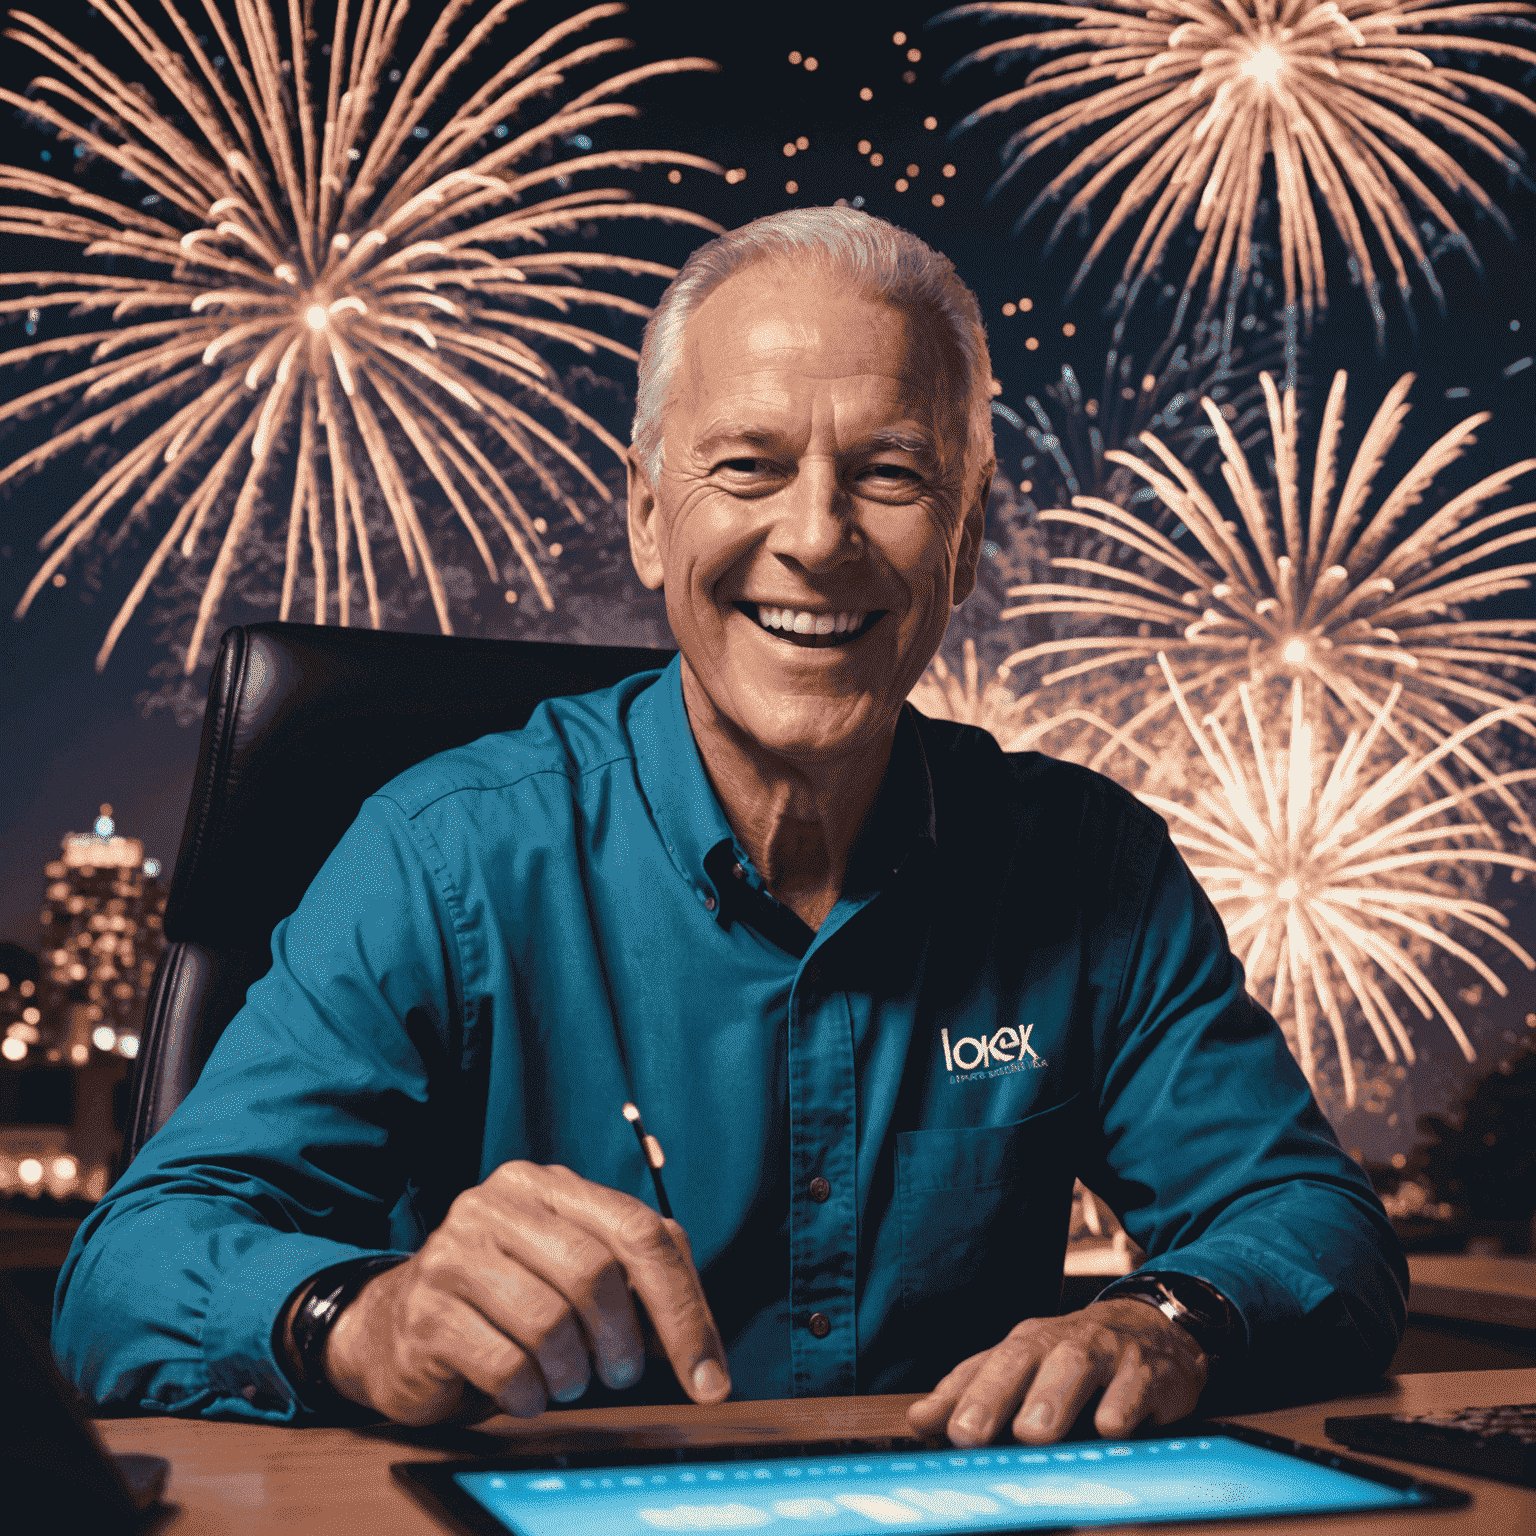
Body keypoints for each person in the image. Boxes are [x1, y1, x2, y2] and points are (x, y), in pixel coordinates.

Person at [53, 208, 1406, 1447]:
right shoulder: (443, 855)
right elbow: (127, 1267)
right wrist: (363, 1323)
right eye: (748, 466)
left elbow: (1312, 1222)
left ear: (967, 540)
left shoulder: (1091, 871)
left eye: (891, 474)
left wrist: (1164, 1321)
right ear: (648, 514)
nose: (817, 539)